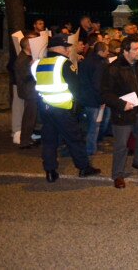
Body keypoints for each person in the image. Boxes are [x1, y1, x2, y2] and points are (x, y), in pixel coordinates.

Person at [31, 34, 100, 183]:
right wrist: (77, 107)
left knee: (49, 141)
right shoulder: (64, 63)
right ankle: (84, 168)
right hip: (62, 109)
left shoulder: (39, 63)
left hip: (45, 107)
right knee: (75, 139)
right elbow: (75, 87)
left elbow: (37, 82)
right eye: (65, 48)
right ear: (56, 48)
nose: (68, 51)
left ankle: (50, 171)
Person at [101, 36, 138, 189]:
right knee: (121, 145)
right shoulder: (113, 68)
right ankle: (118, 174)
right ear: (125, 51)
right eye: (135, 49)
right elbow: (105, 93)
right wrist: (121, 104)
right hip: (122, 112)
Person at [78, 42, 109, 156]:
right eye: (106, 51)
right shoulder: (99, 64)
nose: (108, 53)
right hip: (93, 99)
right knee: (94, 126)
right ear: (100, 52)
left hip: (84, 97)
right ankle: (90, 149)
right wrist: (101, 100)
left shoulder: (86, 61)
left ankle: (87, 146)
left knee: (87, 125)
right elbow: (97, 84)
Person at [14, 37, 38, 149]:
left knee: (30, 116)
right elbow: (25, 76)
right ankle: (24, 141)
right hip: (29, 92)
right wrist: (32, 66)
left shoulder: (26, 57)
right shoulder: (23, 59)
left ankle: (27, 138)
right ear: (28, 46)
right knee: (29, 117)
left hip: (30, 91)